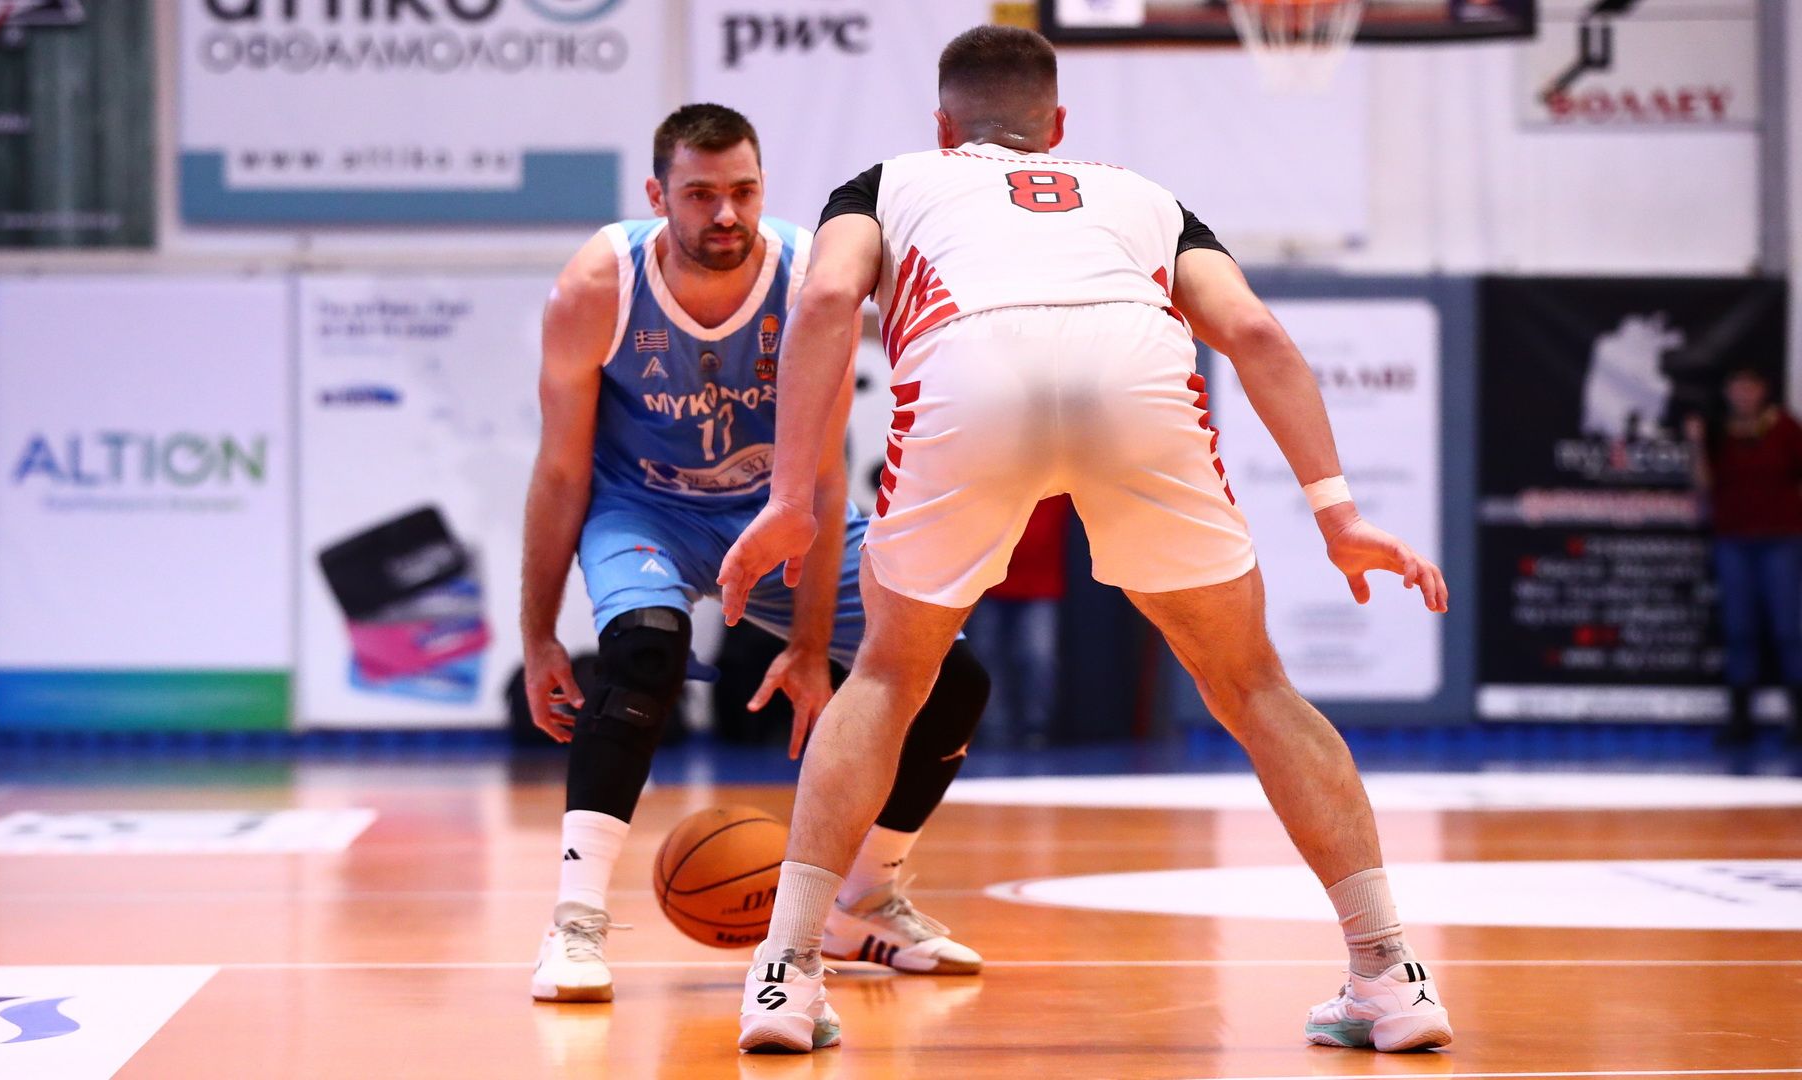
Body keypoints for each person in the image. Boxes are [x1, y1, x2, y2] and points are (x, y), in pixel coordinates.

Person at [717, 27, 1452, 1055]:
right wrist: (1338, 513)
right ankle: (1390, 974)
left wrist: (791, 495)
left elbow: (831, 299)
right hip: (1133, 369)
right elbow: (1255, 334)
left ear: (943, 126)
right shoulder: (1141, 194)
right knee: (1253, 686)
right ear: (1057, 126)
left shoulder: (886, 183)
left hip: (970, 368)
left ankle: (788, 977)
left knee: (886, 677)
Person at [521, 104, 989, 1004]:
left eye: (743, 190)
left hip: (772, 514)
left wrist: (810, 646)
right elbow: (561, 471)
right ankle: (575, 922)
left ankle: (864, 901)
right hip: (644, 508)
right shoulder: (597, 286)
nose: (726, 213)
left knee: (955, 679)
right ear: (658, 196)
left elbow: (824, 475)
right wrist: (538, 635)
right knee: (645, 652)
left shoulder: (811, 279)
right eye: (700, 194)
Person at [1686, 366, 1802, 746]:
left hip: (1782, 540)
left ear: (1763, 390)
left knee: (1788, 629)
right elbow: (1703, 485)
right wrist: (1696, 444)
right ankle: (1740, 719)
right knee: (1739, 629)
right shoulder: (1719, 432)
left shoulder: (1785, 428)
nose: (1743, 395)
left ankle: (1798, 719)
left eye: (1749, 388)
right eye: (1736, 388)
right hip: (1733, 541)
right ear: (1727, 393)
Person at [964, 495, 1070, 749]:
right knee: (986, 657)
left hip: (1039, 585)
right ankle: (994, 730)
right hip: (988, 584)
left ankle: (1035, 729)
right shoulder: (991, 480)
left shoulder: (1058, 481)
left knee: (1038, 656)